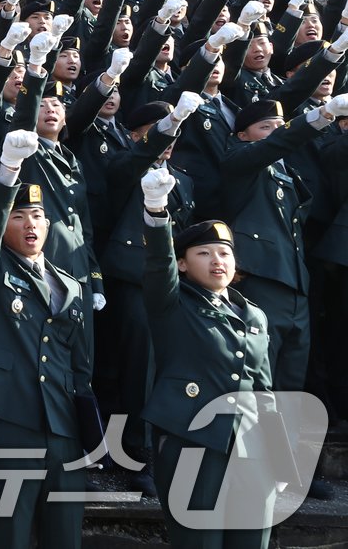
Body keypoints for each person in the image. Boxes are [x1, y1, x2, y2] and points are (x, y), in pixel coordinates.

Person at [0, 130, 93, 549]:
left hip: (64, 425)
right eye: (18, 216)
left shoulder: (70, 285)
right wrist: (8, 171)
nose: (29, 223)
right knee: (9, 533)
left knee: (66, 535)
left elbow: (80, 361)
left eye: (35, 216)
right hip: (8, 421)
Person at [138, 167, 278, 549]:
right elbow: (157, 267)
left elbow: (263, 386)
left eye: (225, 253)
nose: (218, 260)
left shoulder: (254, 314)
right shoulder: (172, 301)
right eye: (204, 253)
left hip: (251, 447)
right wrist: (155, 212)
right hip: (191, 441)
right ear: (183, 263)